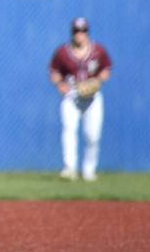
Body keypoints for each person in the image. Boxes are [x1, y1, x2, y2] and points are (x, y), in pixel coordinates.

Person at [49, 16, 113, 182]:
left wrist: (98, 81)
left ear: (87, 32)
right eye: (77, 31)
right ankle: (70, 169)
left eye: (83, 30)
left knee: (93, 136)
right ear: (72, 33)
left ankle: (89, 170)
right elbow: (55, 71)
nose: (80, 34)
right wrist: (60, 84)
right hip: (72, 96)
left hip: (92, 98)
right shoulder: (63, 52)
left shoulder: (98, 51)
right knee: (69, 130)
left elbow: (106, 68)